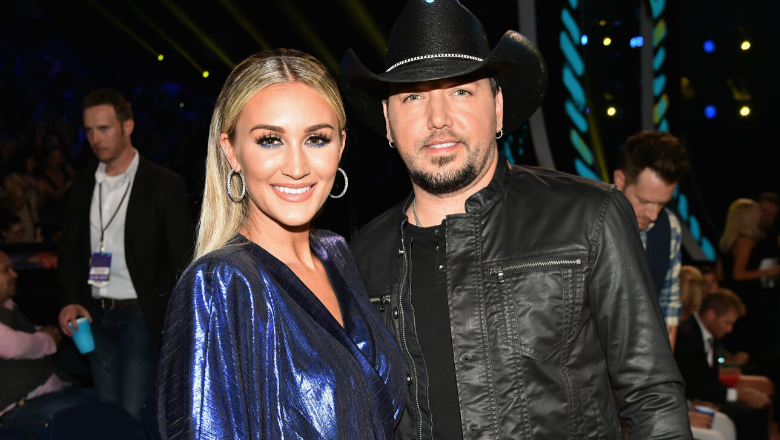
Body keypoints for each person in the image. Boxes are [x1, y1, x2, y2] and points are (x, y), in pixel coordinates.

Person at [340, 1, 690, 438]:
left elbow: (653, 397)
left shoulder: (588, 216)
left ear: (498, 106)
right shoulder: (361, 256)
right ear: (388, 122)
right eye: (413, 96)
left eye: (461, 91)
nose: (437, 119)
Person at [157, 49, 406, 439]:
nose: (296, 167)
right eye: (270, 140)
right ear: (231, 151)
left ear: (340, 146)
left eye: (316, 139)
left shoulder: (336, 252)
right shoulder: (219, 284)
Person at [56, 88, 192, 421]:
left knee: (131, 413)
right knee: (106, 410)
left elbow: (182, 260)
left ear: (127, 127)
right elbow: (70, 248)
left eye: (104, 128)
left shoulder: (164, 184)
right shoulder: (83, 182)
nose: (95, 138)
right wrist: (70, 300)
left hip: (140, 316)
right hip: (93, 316)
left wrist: (181, 324)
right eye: (89, 130)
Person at [0, 250, 94, 440]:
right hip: (19, 406)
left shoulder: (7, 305)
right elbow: (14, 346)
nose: (14, 274)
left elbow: (26, 335)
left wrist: (43, 333)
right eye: (5, 270)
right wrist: (48, 340)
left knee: (112, 407)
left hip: (54, 392)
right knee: (83, 424)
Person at [614, 131, 689, 349]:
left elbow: (668, 305)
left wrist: (664, 368)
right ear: (620, 180)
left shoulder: (670, 226)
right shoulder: (585, 220)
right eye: (645, 201)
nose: (653, 214)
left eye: (662, 203)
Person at [674, 289, 776, 440]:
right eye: (727, 323)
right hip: (691, 399)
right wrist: (739, 394)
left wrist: (740, 394)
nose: (729, 329)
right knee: (745, 414)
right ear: (711, 314)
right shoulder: (686, 336)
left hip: (704, 394)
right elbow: (694, 387)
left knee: (760, 406)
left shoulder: (706, 334)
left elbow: (710, 380)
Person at [717, 199, 780, 356]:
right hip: (745, 298)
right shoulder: (746, 240)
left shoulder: (728, 239)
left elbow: (720, 273)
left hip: (730, 294)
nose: (761, 217)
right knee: (745, 343)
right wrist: (770, 271)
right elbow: (738, 274)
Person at [2, 149, 42, 242]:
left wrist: (41, 191)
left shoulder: (31, 179)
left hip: (34, 226)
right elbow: (16, 205)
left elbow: (39, 204)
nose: (34, 164)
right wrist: (29, 190)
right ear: (22, 161)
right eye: (31, 161)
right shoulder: (10, 180)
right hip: (19, 229)